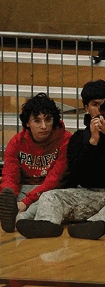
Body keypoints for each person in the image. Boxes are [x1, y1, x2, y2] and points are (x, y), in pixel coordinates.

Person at [15, 79, 105, 240]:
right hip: (87, 195)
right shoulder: (79, 138)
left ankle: (95, 225)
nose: (100, 109)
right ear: (86, 108)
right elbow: (79, 175)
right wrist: (93, 142)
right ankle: (47, 224)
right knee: (51, 196)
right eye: (95, 104)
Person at [0, 93, 69, 232]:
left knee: (49, 199)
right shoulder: (17, 142)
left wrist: (25, 202)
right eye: (37, 121)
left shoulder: (66, 140)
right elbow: (10, 175)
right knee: (6, 192)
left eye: (48, 119)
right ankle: (18, 216)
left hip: (52, 190)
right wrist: (11, 198)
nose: (43, 126)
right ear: (27, 123)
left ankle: (21, 220)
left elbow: (55, 180)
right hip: (25, 188)